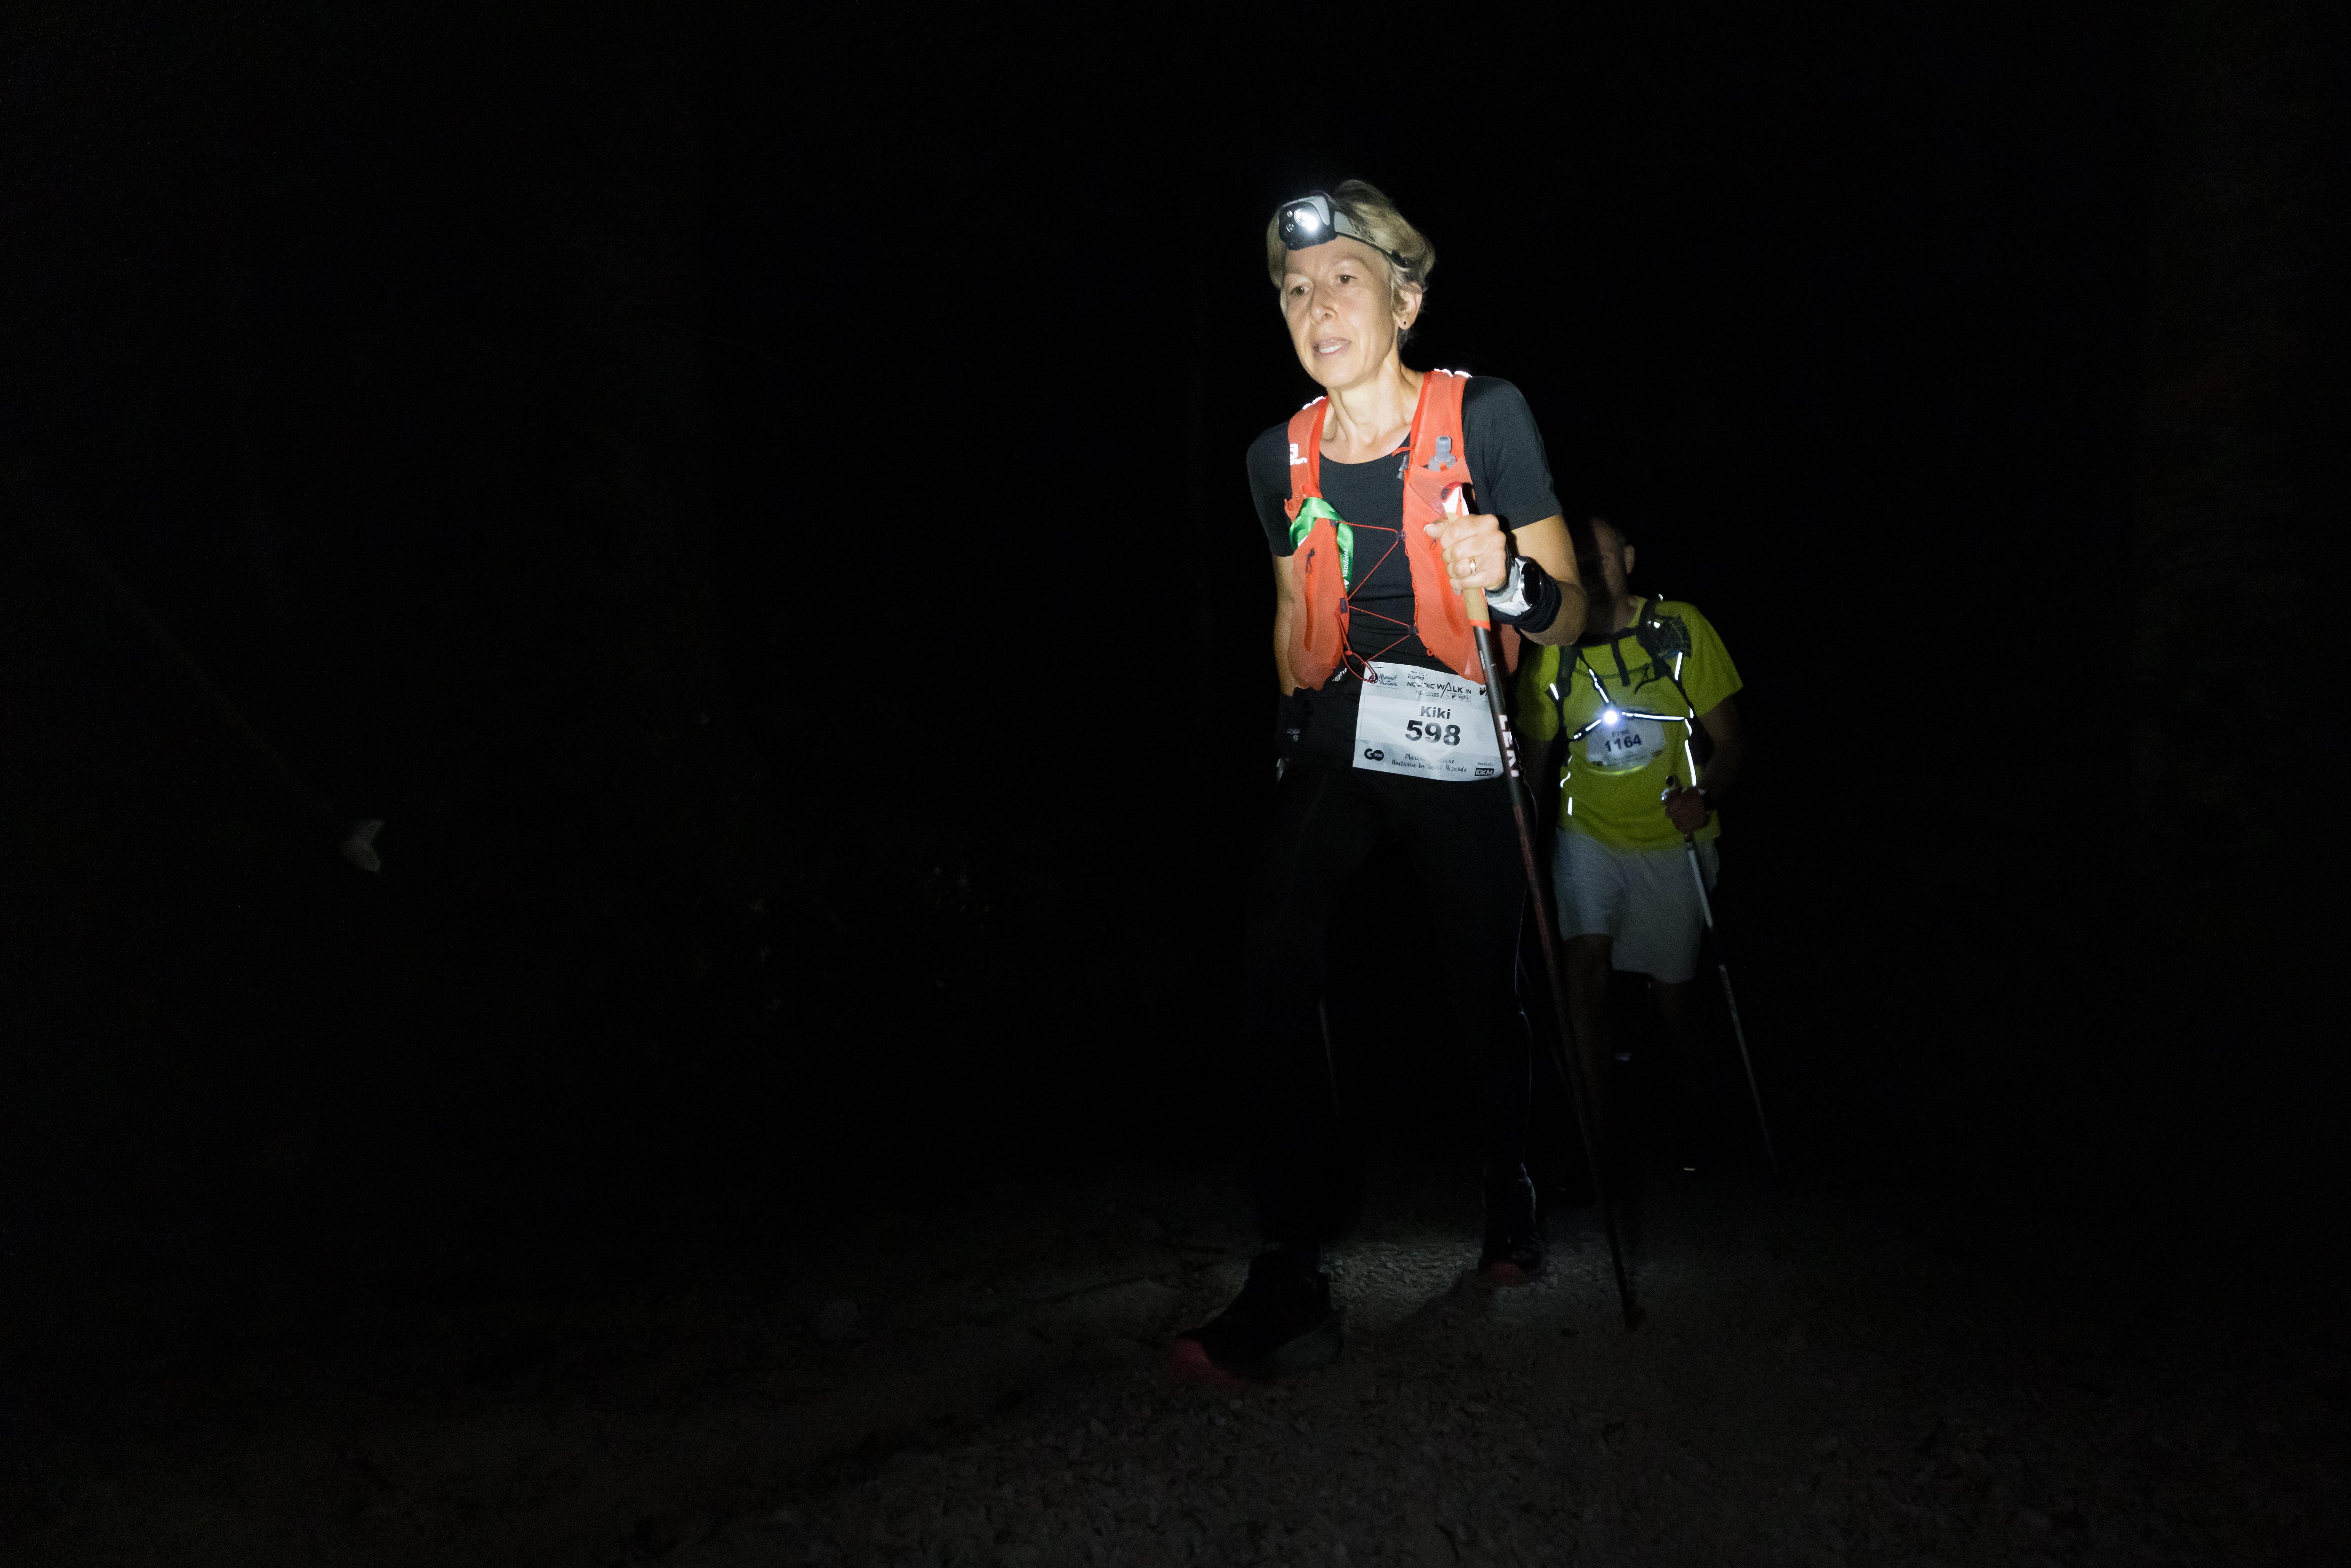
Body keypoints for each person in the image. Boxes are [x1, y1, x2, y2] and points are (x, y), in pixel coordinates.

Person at [1171, 182, 1587, 1382]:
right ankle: (1289, 1267)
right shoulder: (1275, 456)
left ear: (1403, 301)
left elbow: (1572, 614)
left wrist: (1506, 578)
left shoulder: (1486, 415)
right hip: (1341, 725)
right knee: (1270, 951)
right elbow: (1284, 608)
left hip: (1458, 725)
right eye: (1295, 289)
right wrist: (1287, 736)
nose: (1316, 304)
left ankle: (1508, 1187)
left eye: (1343, 279)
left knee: (1480, 984)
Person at [1516, 515, 1745, 1169]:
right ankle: (1599, 1142)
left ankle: (1697, 1117)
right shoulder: (1553, 649)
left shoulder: (1678, 628)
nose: (1592, 567)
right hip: (1587, 835)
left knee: (1673, 998)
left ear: (1631, 560)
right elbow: (1533, 762)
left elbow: (1732, 741)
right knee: (1582, 971)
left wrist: (1705, 797)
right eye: (1580, 557)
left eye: (1604, 555)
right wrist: (1521, 841)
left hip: (1673, 840)